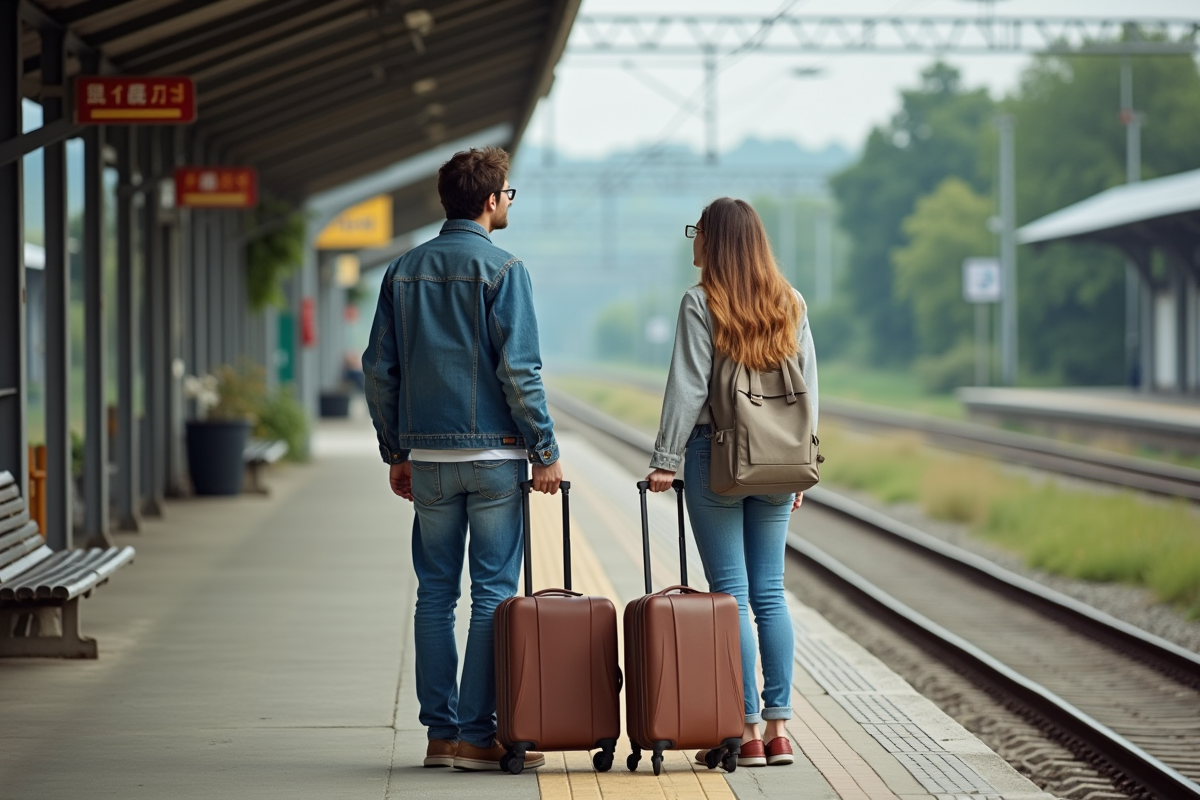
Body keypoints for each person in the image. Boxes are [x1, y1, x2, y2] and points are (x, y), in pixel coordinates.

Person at [363, 146, 562, 772]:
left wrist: (397, 448)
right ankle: (479, 736)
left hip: (428, 458)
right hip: (496, 458)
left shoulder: (402, 271)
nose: (508, 203)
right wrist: (545, 451)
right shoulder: (505, 270)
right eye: (508, 194)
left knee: (435, 595)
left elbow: (378, 370)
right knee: (493, 596)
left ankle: (439, 736)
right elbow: (521, 372)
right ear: (489, 200)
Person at [645, 197, 817, 768]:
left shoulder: (701, 302)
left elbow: (689, 386)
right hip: (775, 461)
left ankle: (743, 732)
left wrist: (665, 459)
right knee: (771, 594)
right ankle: (780, 729)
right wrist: (799, 463)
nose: (693, 240)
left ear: (713, 242)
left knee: (734, 598)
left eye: (698, 231)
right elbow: (808, 392)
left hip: (714, 455)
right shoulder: (791, 302)